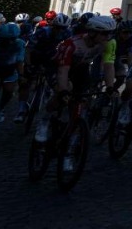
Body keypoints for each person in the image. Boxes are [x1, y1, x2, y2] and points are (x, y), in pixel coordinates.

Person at [35, 15, 118, 172]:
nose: (108, 37)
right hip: (58, 67)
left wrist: (110, 87)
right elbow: (63, 71)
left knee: (81, 105)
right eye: (105, 33)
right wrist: (63, 91)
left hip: (81, 69)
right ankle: (44, 120)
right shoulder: (72, 44)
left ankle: (69, 151)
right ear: (92, 32)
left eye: (110, 33)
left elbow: (109, 65)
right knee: (64, 90)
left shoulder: (108, 43)